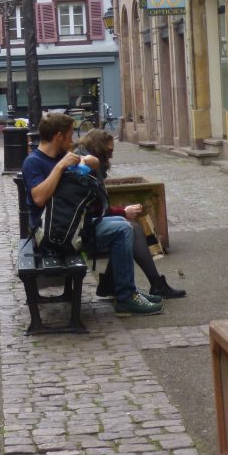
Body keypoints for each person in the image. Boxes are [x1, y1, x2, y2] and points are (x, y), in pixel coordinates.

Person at [22, 112, 162, 317]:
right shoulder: (33, 162)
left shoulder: (63, 156)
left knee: (123, 224)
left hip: (73, 227)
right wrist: (60, 167)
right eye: (69, 135)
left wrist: (90, 161)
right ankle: (125, 297)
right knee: (122, 229)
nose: (72, 140)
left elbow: (94, 164)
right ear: (59, 136)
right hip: (53, 236)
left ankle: (124, 289)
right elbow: (39, 198)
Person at [77, 129, 186, 299]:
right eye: (108, 151)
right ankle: (139, 288)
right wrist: (123, 211)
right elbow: (94, 209)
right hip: (80, 229)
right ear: (98, 148)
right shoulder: (86, 168)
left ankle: (114, 284)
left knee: (127, 228)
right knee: (129, 229)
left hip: (84, 223)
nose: (111, 156)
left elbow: (95, 207)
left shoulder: (87, 163)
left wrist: (122, 212)